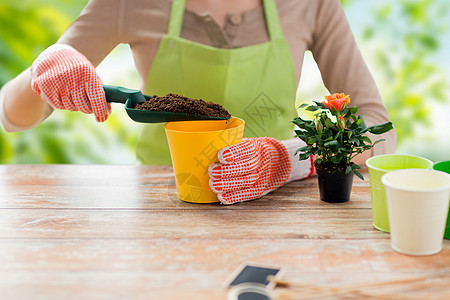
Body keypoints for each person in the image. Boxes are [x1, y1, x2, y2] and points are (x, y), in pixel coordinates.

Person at [0, 0, 396, 204]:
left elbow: (378, 127)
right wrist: (44, 70)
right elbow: (12, 116)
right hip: (163, 208)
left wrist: (290, 159)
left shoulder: (310, 5)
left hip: (276, 208)